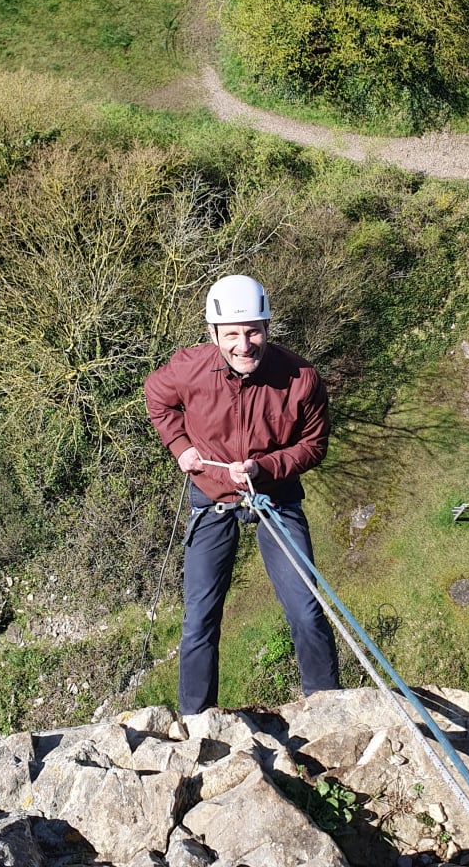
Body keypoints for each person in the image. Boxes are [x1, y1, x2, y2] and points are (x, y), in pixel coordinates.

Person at [144, 274, 340, 716]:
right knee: (199, 621)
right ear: (213, 335)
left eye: (252, 331)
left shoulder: (300, 379)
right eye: (231, 334)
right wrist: (182, 447)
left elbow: (314, 445)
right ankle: (196, 721)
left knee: (306, 610)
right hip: (213, 496)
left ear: (268, 328)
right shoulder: (189, 369)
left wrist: (264, 468)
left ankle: (329, 709)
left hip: (275, 495)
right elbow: (156, 396)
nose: (243, 344)